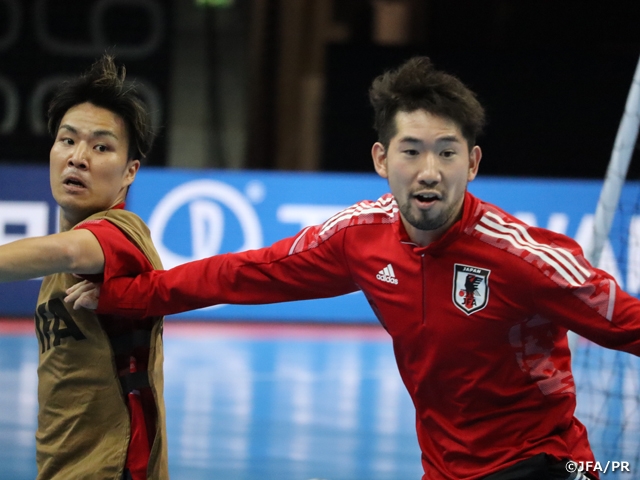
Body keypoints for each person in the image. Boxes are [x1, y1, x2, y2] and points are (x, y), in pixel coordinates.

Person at [65, 56, 639, 480]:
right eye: (411, 150)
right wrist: (126, 294)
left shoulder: (524, 257)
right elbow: (243, 274)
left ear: (474, 162)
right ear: (381, 158)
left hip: (546, 463)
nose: (430, 171)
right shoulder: (359, 237)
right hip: (444, 468)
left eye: (447, 151)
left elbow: (627, 321)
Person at [0, 55, 168, 479]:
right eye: (67, 140)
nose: (78, 158)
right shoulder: (56, 272)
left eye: (101, 147)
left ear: (130, 172)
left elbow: (73, 252)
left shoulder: (124, 233)